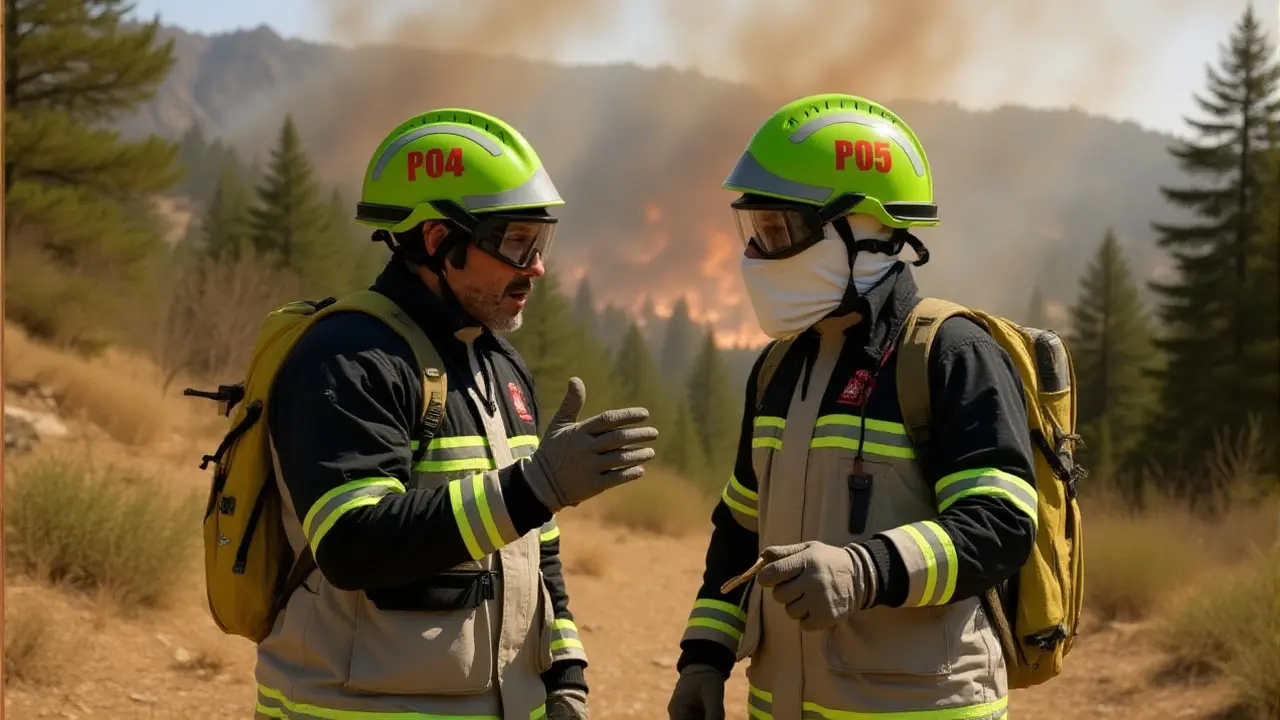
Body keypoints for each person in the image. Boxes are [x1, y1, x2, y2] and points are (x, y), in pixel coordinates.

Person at [253, 108, 660, 720]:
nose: (536, 266)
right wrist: (536, 485)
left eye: (540, 241)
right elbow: (351, 544)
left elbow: (535, 542)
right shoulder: (348, 358)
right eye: (515, 242)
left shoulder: (499, 362)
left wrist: (564, 676)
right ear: (438, 240)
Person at [666, 93, 1039, 720]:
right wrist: (705, 657)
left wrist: (864, 570)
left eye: (778, 231)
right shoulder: (779, 366)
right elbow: (740, 528)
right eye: (754, 231)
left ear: (861, 232)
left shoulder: (950, 353)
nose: (755, 254)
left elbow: (1001, 526)